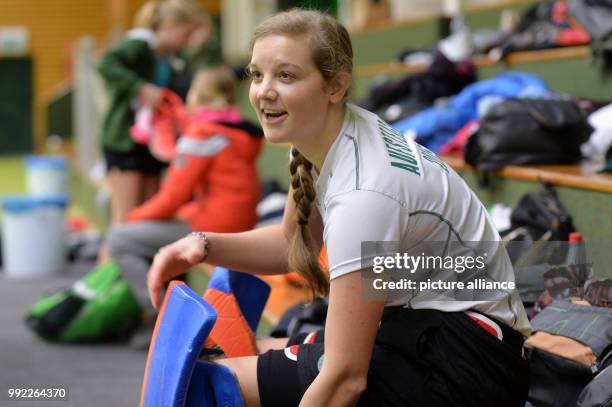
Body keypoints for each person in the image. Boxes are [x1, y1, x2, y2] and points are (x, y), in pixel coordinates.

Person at [146, 9, 531, 407]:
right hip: (428, 331)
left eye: (286, 75)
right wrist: (202, 244)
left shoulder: (364, 194)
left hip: (469, 365)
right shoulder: (322, 135)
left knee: (205, 385)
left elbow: (345, 381)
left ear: (336, 85)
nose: (263, 91)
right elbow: (289, 246)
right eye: (256, 74)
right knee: (247, 351)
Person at [106, 66, 262, 334]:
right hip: (238, 219)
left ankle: (167, 324)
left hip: (214, 226)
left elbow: (172, 198)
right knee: (162, 230)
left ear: (197, 94)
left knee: (120, 240)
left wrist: (130, 219)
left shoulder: (203, 133)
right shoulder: (236, 129)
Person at [96, 0, 204, 256]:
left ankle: (131, 284)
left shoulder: (169, 59)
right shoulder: (139, 46)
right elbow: (106, 64)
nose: (186, 41)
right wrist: (141, 88)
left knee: (144, 223)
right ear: (169, 25)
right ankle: (101, 286)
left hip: (152, 146)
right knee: (124, 222)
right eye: (185, 34)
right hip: (126, 142)